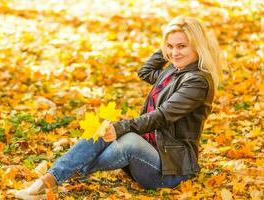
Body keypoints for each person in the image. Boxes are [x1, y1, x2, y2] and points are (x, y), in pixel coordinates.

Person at [15, 15, 222, 199]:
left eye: (182, 46)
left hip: (172, 171)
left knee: (128, 138)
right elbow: (145, 71)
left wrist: (121, 128)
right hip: (153, 154)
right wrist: (167, 48)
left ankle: (60, 174)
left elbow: (161, 117)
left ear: (197, 45)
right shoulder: (173, 71)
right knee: (104, 128)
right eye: (171, 46)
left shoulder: (197, 82)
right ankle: (48, 179)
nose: (175, 52)